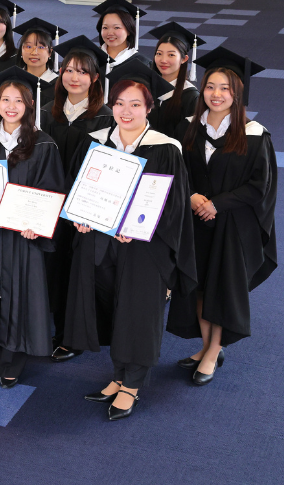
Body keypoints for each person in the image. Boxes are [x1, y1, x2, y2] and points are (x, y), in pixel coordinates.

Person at [64, 58, 196, 421]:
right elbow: (78, 190)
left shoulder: (165, 149)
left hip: (143, 249)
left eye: (135, 104)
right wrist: (81, 217)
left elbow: (173, 208)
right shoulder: (96, 143)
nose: (126, 111)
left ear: (149, 108)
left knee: (137, 311)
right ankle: (119, 375)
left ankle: (133, 384)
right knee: (113, 309)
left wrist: (138, 228)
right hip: (101, 243)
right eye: (120, 103)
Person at [167, 47, 275, 386]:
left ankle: (214, 352)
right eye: (211, 86)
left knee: (221, 289)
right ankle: (205, 345)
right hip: (195, 222)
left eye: (225, 88)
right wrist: (191, 195)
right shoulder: (188, 127)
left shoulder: (255, 135)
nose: (216, 94)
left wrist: (218, 203)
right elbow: (175, 172)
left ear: (237, 93)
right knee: (198, 287)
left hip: (232, 226)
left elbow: (259, 186)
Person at [0, 67, 65, 387]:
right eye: (5, 99)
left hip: (23, 237)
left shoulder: (43, 145)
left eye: (18, 100)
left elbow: (51, 190)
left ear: (30, 104)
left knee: (20, 293)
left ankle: (13, 357)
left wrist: (38, 224)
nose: (11, 106)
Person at [39, 36, 114, 363]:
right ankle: (48, 327)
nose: (74, 77)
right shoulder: (45, 113)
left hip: (82, 211)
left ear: (95, 78)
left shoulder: (106, 118)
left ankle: (73, 336)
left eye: (83, 72)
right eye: (68, 69)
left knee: (77, 272)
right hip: (49, 205)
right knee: (50, 267)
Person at [147, 22, 200, 139]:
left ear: (184, 59)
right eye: (159, 54)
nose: (163, 60)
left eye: (171, 55)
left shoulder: (191, 97)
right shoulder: (146, 87)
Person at [13, 18, 64, 108]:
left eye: (41, 47)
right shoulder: (13, 81)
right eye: (28, 46)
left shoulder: (59, 85)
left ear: (50, 52)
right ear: (21, 50)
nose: (34, 52)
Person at [92, 0, 150, 70]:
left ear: (128, 30)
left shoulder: (141, 63)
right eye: (105, 28)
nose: (110, 33)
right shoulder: (91, 57)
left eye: (117, 27)